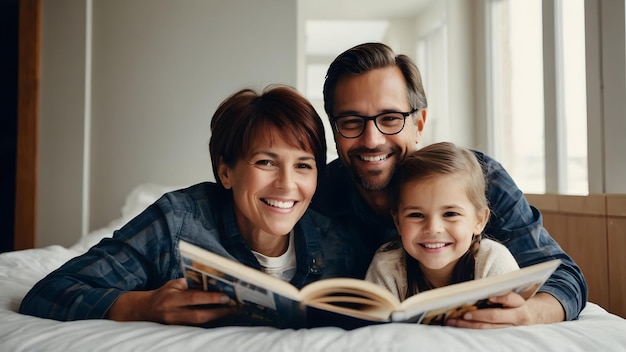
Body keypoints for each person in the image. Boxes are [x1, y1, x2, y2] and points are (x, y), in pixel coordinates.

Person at [19, 85, 354, 326]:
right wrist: (141, 305)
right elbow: (50, 291)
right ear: (226, 171)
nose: (286, 184)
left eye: (303, 166)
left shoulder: (337, 243)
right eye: (266, 162)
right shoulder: (177, 223)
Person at [311, 42, 587, 328]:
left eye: (390, 118)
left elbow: (563, 276)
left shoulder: (478, 178)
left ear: (419, 124)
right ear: (334, 129)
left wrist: (529, 313)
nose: (372, 140)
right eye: (352, 122)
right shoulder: (315, 195)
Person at [365, 142, 520, 304]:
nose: (433, 228)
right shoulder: (387, 267)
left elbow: (511, 320)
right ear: (397, 221)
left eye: (450, 214)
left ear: (479, 220)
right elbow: (374, 326)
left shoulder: (493, 261)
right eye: (416, 215)